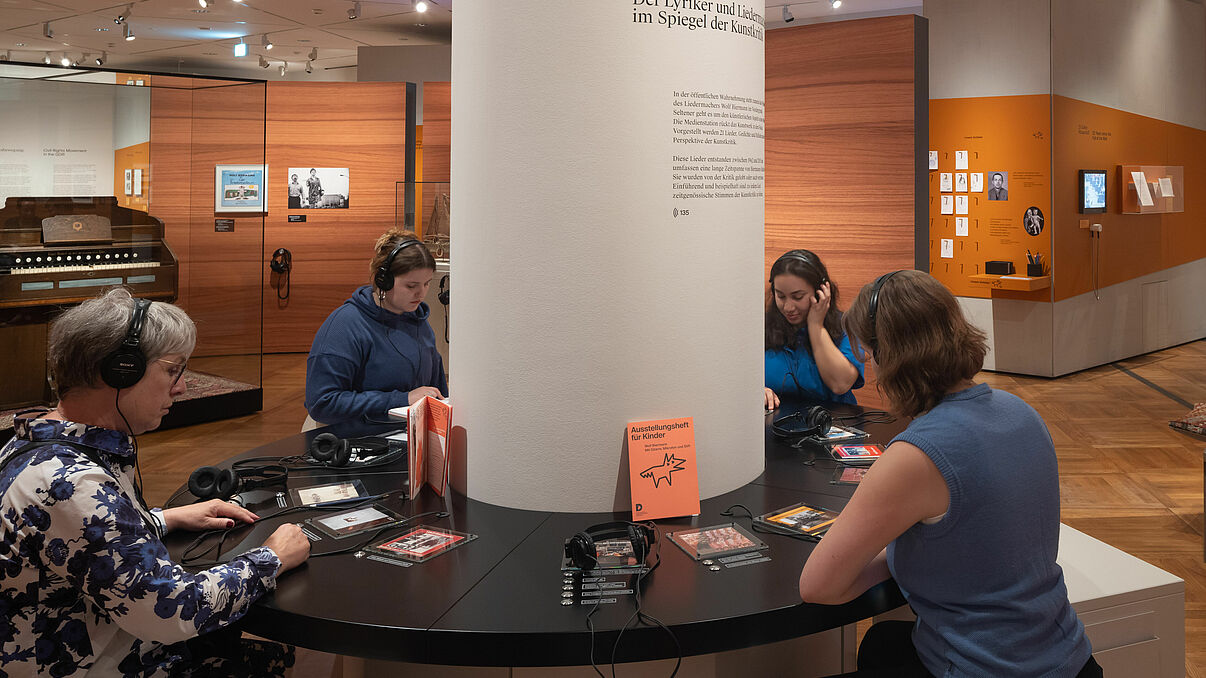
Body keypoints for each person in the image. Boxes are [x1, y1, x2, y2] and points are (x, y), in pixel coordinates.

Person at [798, 270, 1100, 678]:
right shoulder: (1021, 411)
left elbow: (819, 587)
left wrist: (895, 554)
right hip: (1068, 656)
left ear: (890, 356)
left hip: (985, 667)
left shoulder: (915, 456)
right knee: (883, 644)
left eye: (868, 355)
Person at [0, 287, 310, 678]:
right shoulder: (73, 485)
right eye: (171, 370)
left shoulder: (44, 438)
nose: (181, 387)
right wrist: (272, 558)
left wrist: (165, 518)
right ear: (119, 370)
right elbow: (172, 610)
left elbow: (80, 542)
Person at [304, 229, 447, 428]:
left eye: (426, 284)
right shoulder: (345, 325)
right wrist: (401, 399)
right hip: (359, 445)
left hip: (409, 442)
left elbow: (436, 389)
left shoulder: (419, 322)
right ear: (383, 281)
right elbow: (322, 403)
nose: (421, 293)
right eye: (411, 285)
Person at [764, 250, 864, 410]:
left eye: (798, 297)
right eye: (780, 296)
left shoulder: (846, 325)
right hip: (775, 425)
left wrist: (816, 326)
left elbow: (840, 384)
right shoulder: (759, 328)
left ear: (821, 291)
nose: (788, 307)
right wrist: (756, 391)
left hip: (833, 424)